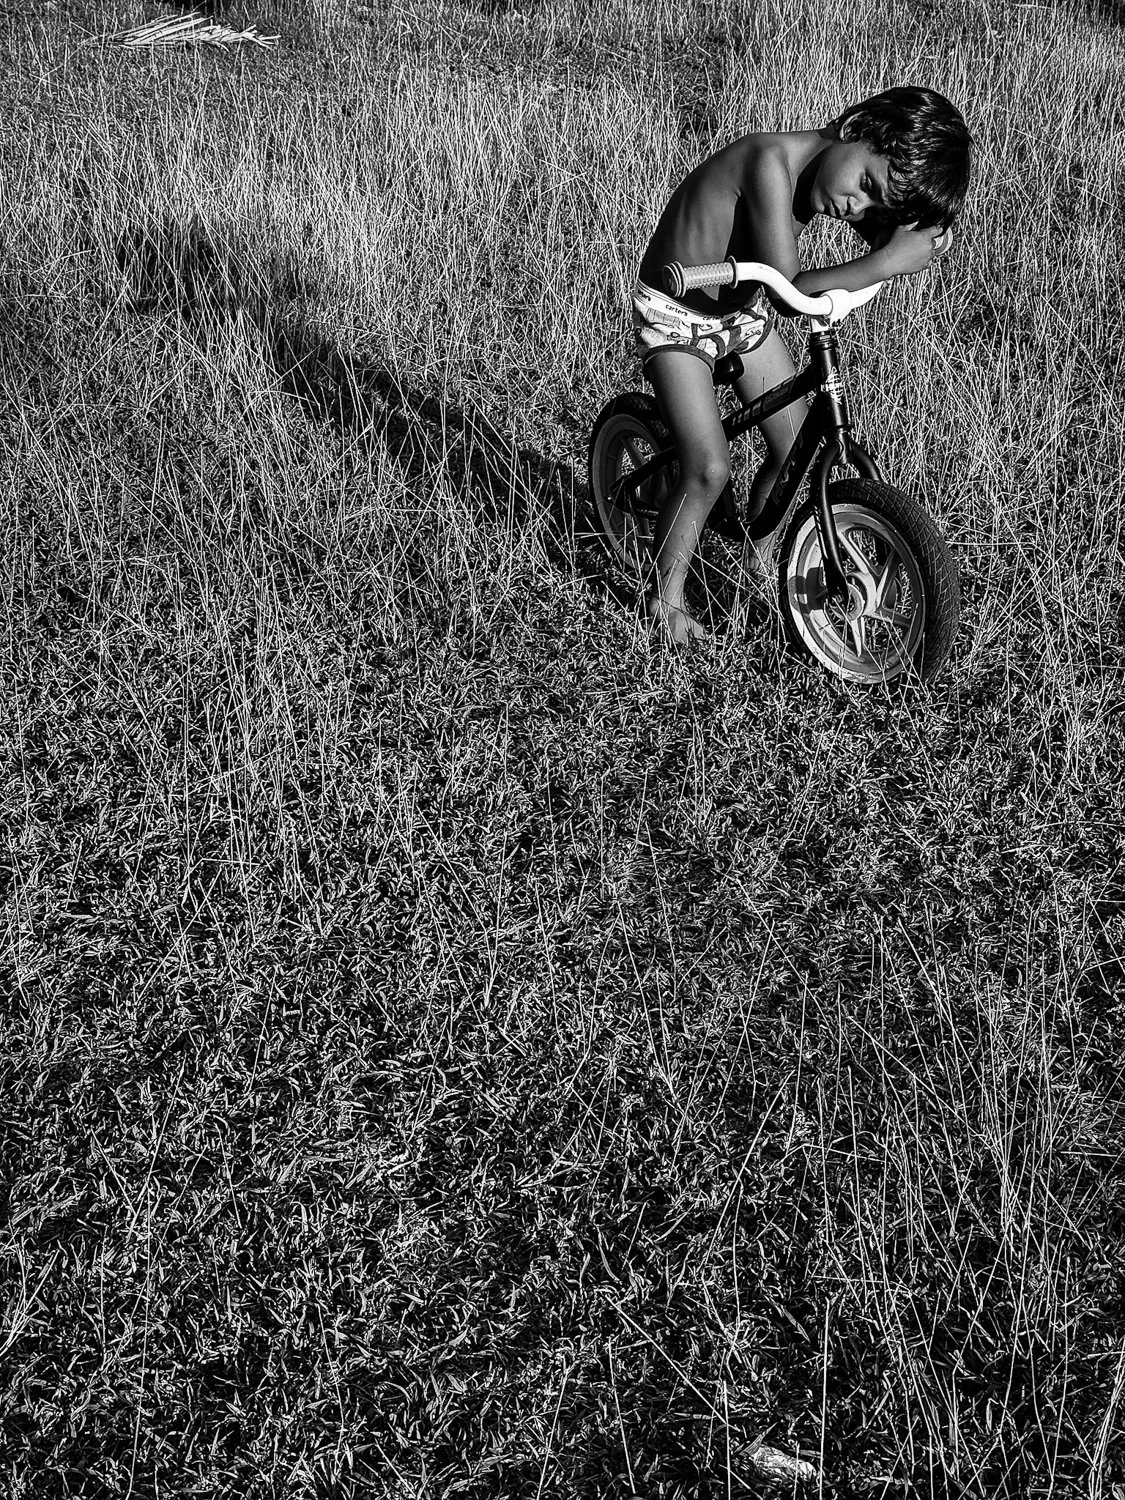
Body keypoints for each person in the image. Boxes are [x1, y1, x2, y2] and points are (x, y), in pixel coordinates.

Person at [632, 86, 972, 642]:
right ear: (854, 125)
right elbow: (793, 294)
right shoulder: (769, 164)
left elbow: (869, 239)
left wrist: (914, 230)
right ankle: (663, 600)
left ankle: (755, 558)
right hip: (679, 309)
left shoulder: (830, 182)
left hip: (738, 311)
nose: (856, 209)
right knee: (709, 465)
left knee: (793, 449)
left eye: (874, 206)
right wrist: (888, 261)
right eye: (865, 186)